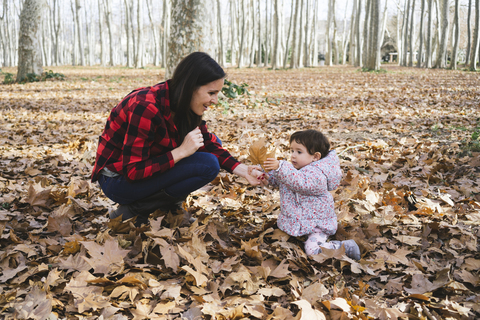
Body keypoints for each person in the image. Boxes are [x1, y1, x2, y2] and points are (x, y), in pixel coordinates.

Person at [91, 52, 263, 226]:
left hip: (143, 171)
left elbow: (208, 143)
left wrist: (244, 170)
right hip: (117, 180)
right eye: (211, 93)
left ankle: (168, 208)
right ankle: (133, 212)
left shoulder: (184, 103)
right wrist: (180, 152)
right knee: (207, 163)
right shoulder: (145, 107)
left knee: (210, 144)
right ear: (190, 87)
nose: (215, 101)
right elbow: (133, 170)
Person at [258, 129, 361, 260]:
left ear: (315, 157)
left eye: (299, 152)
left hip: (316, 225)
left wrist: (280, 167)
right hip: (300, 222)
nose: (293, 155)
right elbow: (283, 180)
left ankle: (345, 247)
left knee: (312, 251)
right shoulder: (294, 170)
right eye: (292, 151)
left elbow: (300, 182)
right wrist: (266, 176)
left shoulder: (318, 175)